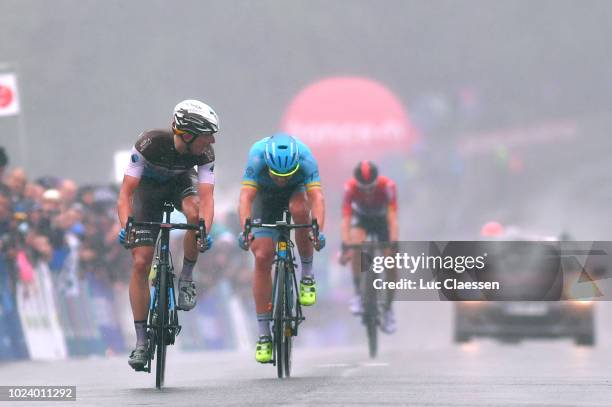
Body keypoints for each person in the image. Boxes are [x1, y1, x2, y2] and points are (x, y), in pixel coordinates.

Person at [116, 99, 218, 371]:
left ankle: (185, 278)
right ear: (187, 133)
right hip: (146, 193)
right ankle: (141, 342)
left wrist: (204, 229)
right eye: (208, 135)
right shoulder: (150, 143)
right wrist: (126, 225)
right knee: (141, 262)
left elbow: (207, 198)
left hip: (181, 185)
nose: (212, 141)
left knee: (195, 215)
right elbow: (126, 193)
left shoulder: (204, 153)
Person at [237, 133, 326, 363]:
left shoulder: (306, 158)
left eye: (287, 175)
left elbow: (317, 198)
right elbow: (246, 198)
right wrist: (245, 230)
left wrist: (318, 231)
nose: (282, 180)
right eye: (277, 175)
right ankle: (264, 335)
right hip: (264, 200)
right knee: (263, 256)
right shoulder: (257, 156)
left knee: (301, 212)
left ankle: (307, 275)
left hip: (295, 195)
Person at [340, 160, 398, 334]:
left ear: (376, 181)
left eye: (370, 188)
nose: (367, 192)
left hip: (381, 221)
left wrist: (394, 241)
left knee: (391, 261)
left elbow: (393, 217)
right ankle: (358, 293)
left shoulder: (388, 186)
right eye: (362, 188)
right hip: (362, 219)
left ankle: (388, 309)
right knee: (355, 245)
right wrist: (346, 244)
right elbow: (346, 219)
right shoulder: (349, 188)